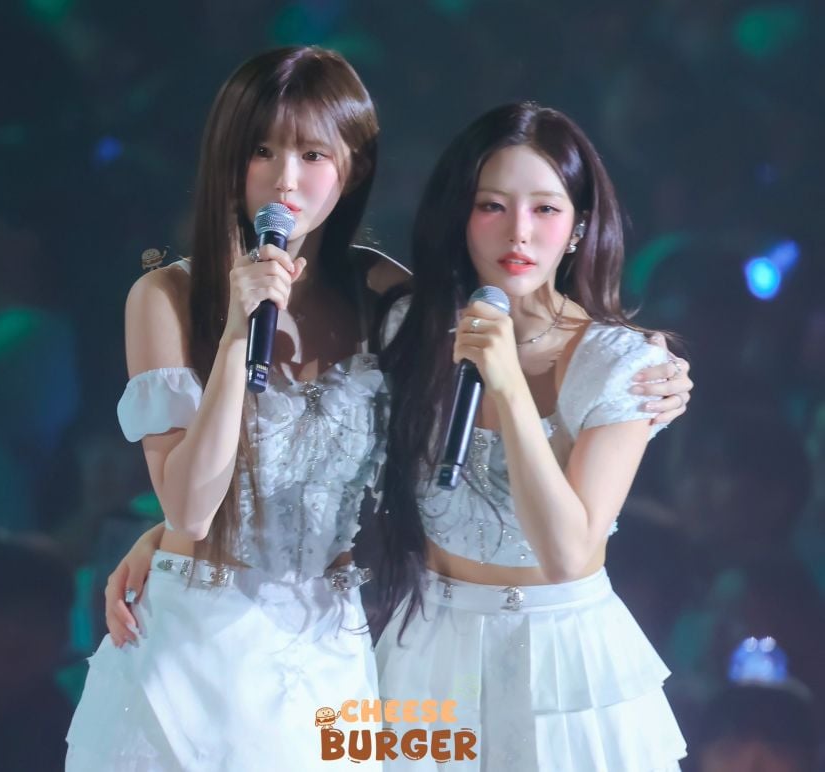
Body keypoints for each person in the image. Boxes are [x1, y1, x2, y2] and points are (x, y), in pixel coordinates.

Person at [66, 46, 406, 770]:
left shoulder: (384, 294)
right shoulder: (165, 297)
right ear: (228, 160)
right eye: (261, 150)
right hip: (190, 654)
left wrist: (626, 356)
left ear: (353, 167)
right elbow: (190, 510)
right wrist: (232, 339)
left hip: (327, 656)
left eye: (312, 154)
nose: (285, 179)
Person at [373, 102, 687, 770]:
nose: (519, 232)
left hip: (560, 657)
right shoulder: (409, 327)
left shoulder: (620, 364)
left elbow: (569, 550)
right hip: (429, 644)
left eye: (546, 209)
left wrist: (509, 386)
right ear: (460, 214)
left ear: (579, 227)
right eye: (492, 206)